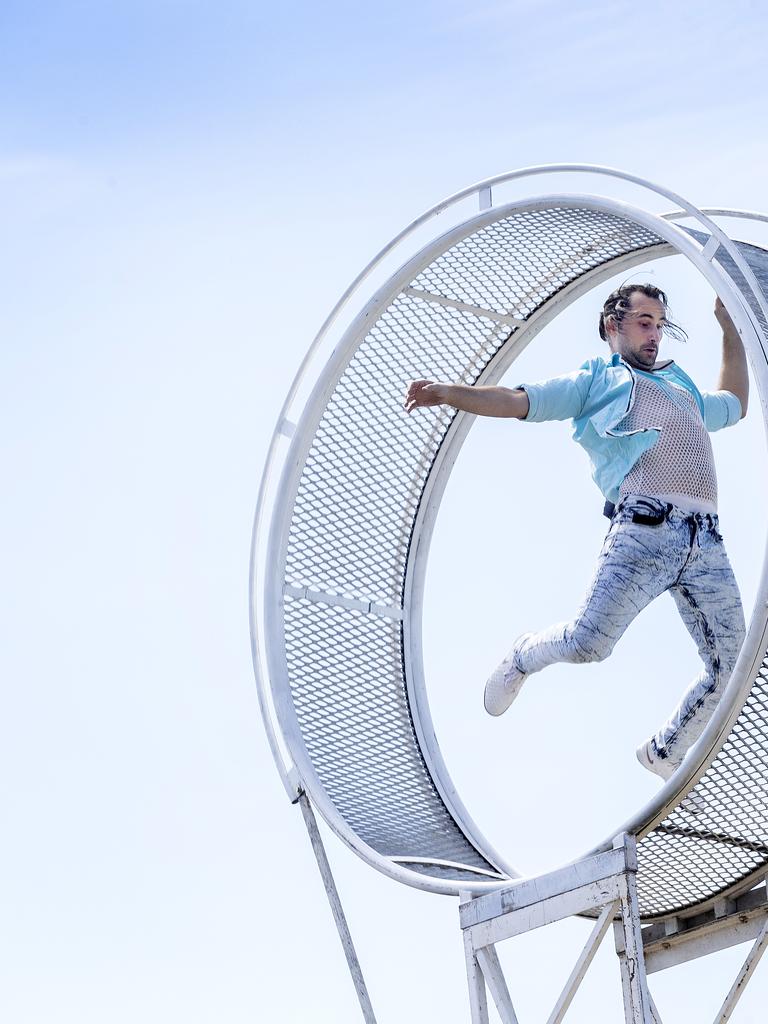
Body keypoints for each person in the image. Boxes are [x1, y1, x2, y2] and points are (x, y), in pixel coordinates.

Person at [404, 283, 749, 782]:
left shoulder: (681, 385)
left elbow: (734, 403)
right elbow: (519, 400)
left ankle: (664, 750)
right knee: (591, 644)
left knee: (733, 669)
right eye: (644, 323)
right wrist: (450, 394)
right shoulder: (597, 379)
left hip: (706, 542)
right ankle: (525, 654)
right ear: (614, 325)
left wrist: (729, 330)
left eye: (659, 324)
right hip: (643, 532)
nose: (654, 335)